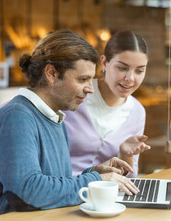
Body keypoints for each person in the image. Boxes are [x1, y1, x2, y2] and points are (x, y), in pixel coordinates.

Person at [0, 29, 139, 221]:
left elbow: (53, 184)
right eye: (83, 79)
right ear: (52, 74)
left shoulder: (55, 117)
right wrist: (94, 181)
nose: (90, 88)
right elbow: (29, 191)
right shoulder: (16, 117)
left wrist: (94, 173)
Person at [64, 30, 151, 178]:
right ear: (104, 62)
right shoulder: (75, 95)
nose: (130, 78)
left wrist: (125, 154)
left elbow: (128, 178)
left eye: (139, 71)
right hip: (65, 193)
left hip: (106, 196)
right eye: (122, 68)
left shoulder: (137, 111)